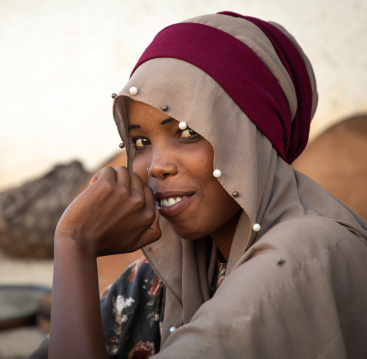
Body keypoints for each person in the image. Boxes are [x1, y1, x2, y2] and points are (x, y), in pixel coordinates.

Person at [30, 11, 367, 358]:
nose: (156, 167)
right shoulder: (172, 268)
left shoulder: (298, 259)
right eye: (141, 143)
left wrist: (75, 244)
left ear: (252, 137)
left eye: (187, 133)